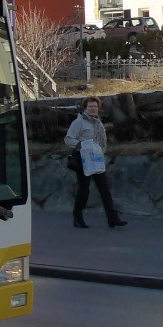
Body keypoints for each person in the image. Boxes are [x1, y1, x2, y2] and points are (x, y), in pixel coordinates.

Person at [64, 96, 127, 229]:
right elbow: (68, 139)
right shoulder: (79, 122)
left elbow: (101, 140)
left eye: (95, 106)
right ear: (85, 108)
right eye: (90, 106)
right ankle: (78, 216)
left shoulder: (98, 123)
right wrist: (82, 145)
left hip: (97, 159)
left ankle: (112, 218)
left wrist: (100, 150)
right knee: (84, 190)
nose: (93, 109)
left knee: (105, 188)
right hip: (83, 159)